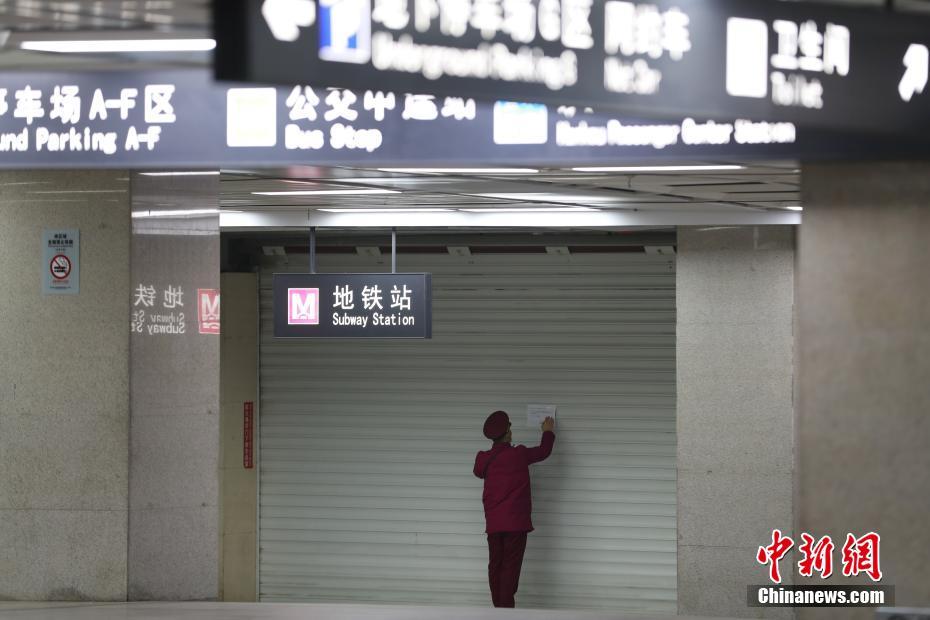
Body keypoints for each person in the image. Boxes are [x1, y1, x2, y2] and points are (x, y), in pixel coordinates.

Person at [473, 410, 556, 608]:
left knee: (495, 565)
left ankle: (499, 609)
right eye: (510, 427)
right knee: (510, 567)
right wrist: (547, 431)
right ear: (507, 432)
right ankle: (506, 611)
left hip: (494, 526)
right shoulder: (519, 454)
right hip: (515, 526)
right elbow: (544, 451)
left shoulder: (483, 458)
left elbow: (477, 472)